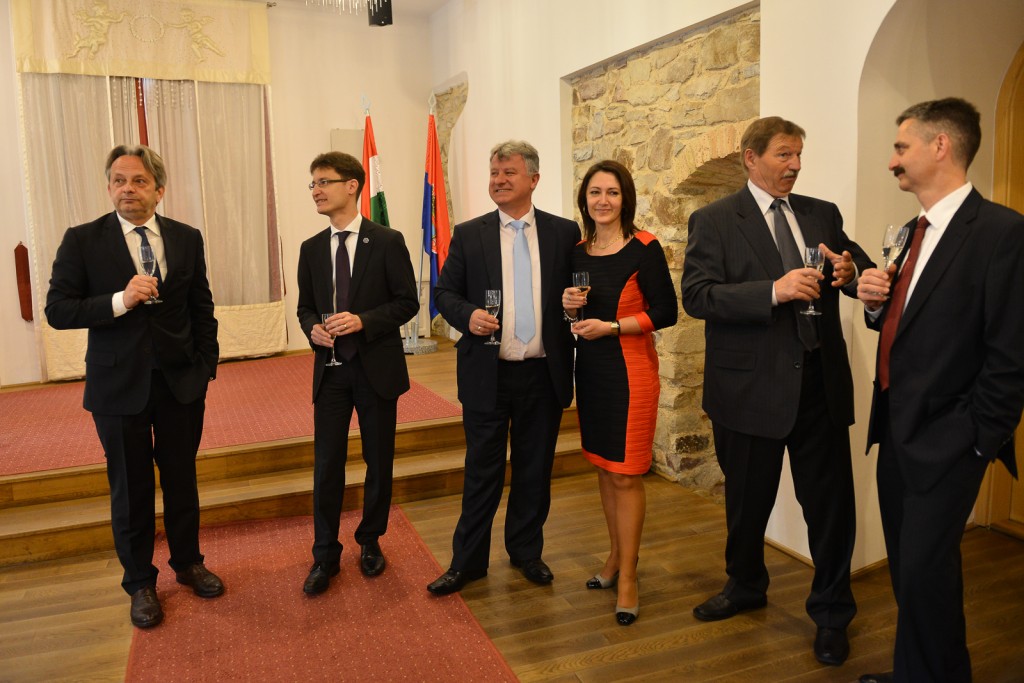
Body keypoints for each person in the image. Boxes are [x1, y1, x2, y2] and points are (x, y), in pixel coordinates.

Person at [681, 117, 873, 666]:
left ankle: (832, 615)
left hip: (819, 387)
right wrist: (773, 290)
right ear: (751, 157)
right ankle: (745, 585)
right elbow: (698, 295)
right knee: (747, 505)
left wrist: (850, 272)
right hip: (748, 390)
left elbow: (854, 266)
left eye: (798, 156)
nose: (795, 165)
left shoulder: (822, 213)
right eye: (784, 155)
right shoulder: (714, 220)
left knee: (831, 510)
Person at [855, 98, 1024, 683]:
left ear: (940, 146)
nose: (892, 161)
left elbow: (1010, 354)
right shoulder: (910, 231)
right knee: (913, 571)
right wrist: (874, 305)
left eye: (901, 147)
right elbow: (910, 325)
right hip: (896, 429)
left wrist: (977, 440)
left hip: (949, 438)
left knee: (925, 570)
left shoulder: (1002, 233)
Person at [45, 144, 222, 629]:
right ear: (109, 188)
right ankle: (140, 582)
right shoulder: (82, 240)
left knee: (181, 478)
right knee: (131, 487)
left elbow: (201, 307)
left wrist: (206, 366)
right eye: (119, 180)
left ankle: (188, 563)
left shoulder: (186, 237)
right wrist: (119, 300)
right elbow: (58, 310)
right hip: (117, 385)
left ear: (158, 190)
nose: (128, 189)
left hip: (181, 383)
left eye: (139, 180)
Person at [427, 140, 580, 595]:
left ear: (533, 179)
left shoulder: (564, 233)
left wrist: (574, 307)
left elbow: (576, 294)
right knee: (482, 472)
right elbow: (445, 293)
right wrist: (467, 315)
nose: (498, 180)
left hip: (543, 373)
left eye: (509, 172)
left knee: (535, 470)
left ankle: (526, 551)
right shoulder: (469, 233)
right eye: (494, 173)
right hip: (487, 375)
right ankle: (467, 562)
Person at [296, 151, 418, 595]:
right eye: (312, 184)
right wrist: (312, 328)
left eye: (324, 181)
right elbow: (305, 307)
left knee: (378, 460)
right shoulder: (311, 249)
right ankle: (324, 554)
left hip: (375, 369)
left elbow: (407, 302)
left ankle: (370, 540)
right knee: (327, 465)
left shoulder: (386, 240)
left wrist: (364, 321)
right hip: (330, 372)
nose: (316, 190)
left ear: (352, 185)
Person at [561, 160, 677, 626]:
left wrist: (611, 327)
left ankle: (629, 576)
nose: (603, 201)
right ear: (584, 199)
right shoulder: (577, 252)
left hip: (631, 375)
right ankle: (614, 557)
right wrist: (569, 308)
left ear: (625, 198)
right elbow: (574, 317)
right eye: (595, 192)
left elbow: (666, 312)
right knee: (606, 470)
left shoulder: (644, 248)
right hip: (591, 373)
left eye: (612, 192)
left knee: (627, 476)